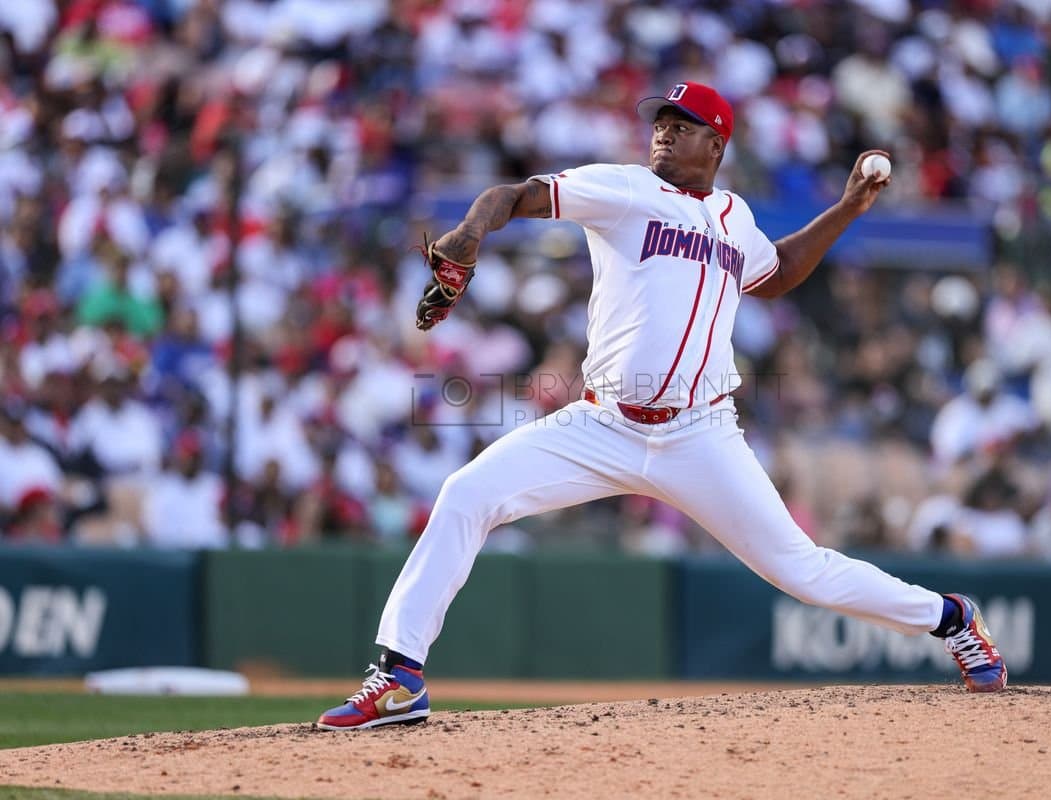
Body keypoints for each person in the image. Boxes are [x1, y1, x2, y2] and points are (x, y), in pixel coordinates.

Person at [317, 82, 1007, 730]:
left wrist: (851, 207)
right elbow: (517, 193)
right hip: (601, 424)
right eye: (661, 124)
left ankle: (949, 619)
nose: (664, 134)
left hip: (700, 433)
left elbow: (777, 273)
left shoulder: (734, 215)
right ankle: (400, 673)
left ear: (718, 145)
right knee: (466, 493)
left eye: (683, 127)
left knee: (803, 571)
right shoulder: (623, 189)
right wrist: (473, 229)